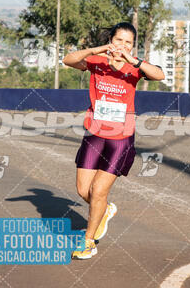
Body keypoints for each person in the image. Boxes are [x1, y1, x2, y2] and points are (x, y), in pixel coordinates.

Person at [62, 22, 165, 260]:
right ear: (112, 40)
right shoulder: (97, 62)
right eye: (119, 40)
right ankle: (105, 209)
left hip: (120, 139)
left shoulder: (135, 66)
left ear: (133, 46)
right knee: (82, 190)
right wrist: (97, 50)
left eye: (128, 42)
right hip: (94, 134)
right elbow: (69, 60)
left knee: (98, 190)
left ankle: (88, 241)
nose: (123, 45)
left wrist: (133, 59)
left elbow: (159, 75)